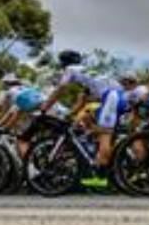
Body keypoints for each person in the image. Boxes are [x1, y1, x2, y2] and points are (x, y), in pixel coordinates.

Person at [39, 50, 130, 188]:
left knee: (104, 135)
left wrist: (45, 107)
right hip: (119, 96)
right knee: (95, 126)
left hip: (111, 97)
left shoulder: (70, 69)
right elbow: (83, 100)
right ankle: (112, 167)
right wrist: (70, 114)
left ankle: (102, 178)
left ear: (63, 63)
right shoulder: (88, 72)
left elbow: (60, 89)